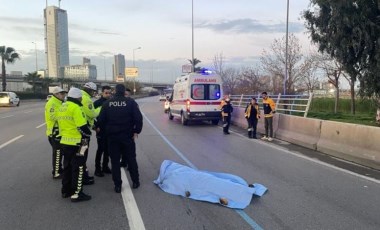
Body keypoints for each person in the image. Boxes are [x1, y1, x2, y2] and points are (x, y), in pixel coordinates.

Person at [98, 84, 143, 193]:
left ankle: (117, 185)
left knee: (114, 162)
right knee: (131, 159)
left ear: (114, 91)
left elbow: (101, 121)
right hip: (127, 136)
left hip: (112, 137)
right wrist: (136, 131)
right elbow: (138, 118)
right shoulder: (130, 103)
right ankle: (135, 181)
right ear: (124, 92)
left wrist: (106, 132)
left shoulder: (107, 104)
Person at [57, 87, 92, 202]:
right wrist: (88, 134)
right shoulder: (76, 108)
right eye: (81, 98)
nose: (82, 99)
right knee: (79, 168)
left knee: (67, 167)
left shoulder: (62, 107)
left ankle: (66, 191)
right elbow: (82, 126)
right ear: (78, 97)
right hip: (78, 143)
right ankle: (77, 193)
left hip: (65, 142)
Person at [44, 86, 67, 179]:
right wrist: (64, 116)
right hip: (55, 131)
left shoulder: (61, 102)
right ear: (56, 94)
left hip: (60, 131)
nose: (63, 95)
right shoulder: (52, 103)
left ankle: (59, 169)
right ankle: (56, 172)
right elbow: (52, 116)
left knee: (60, 152)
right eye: (62, 93)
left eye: (64, 93)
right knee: (57, 153)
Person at [80, 82, 99, 184]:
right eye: (93, 91)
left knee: (81, 155)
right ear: (90, 90)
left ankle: (84, 175)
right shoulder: (86, 99)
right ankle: (82, 178)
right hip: (84, 132)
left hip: (81, 131)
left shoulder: (81, 96)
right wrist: (101, 108)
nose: (94, 93)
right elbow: (92, 114)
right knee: (83, 155)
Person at [93, 85, 112, 177]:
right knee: (100, 149)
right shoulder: (97, 103)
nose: (108, 94)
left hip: (109, 130)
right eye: (106, 93)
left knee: (108, 150)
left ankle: (105, 166)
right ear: (102, 93)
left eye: (109, 93)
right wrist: (95, 127)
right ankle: (97, 169)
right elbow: (91, 116)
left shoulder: (111, 102)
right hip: (100, 130)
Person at [120, 87, 132, 168]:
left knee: (129, 149)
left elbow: (137, 117)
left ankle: (130, 164)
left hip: (129, 130)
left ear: (129, 95)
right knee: (122, 148)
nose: (125, 96)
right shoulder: (119, 103)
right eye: (124, 94)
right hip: (120, 130)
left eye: (126, 94)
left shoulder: (133, 103)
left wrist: (135, 130)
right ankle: (123, 162)